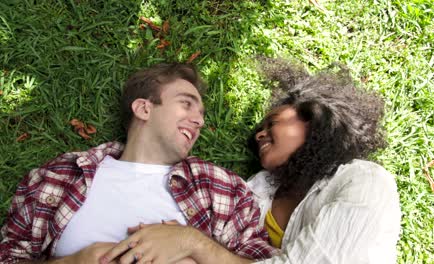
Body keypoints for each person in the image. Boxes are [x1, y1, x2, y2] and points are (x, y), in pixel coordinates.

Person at [101, 59, 401, 264]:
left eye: (272, 123)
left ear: (315, 120)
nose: (260, 134)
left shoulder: (363, 181)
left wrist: (192, 243)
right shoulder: (258, 189)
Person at [0, 63, 277, 263]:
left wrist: (193, 244)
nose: (200, 120)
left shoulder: (222, 187)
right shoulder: (60, 175)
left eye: (201, 113)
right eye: (187, 104)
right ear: (144, 108)